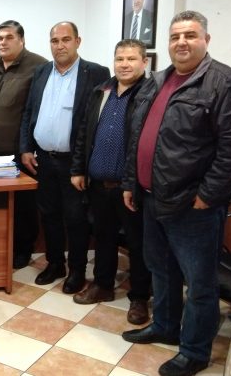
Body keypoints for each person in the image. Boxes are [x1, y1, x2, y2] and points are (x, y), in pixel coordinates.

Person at [121, 10, 231, 376]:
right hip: (152, 197)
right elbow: (138, 137)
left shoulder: (226, 85)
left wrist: (208, 196)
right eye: (175, 36)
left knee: (199, 283)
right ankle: (165, 325)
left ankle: (195, 351)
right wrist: (132, 182)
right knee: (160, 269)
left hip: (193, 206)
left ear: (206, 40)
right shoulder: (157, 80)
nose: (181, 42)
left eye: (190, 35)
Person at [20, 21, 109, 294]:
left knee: (76, 218)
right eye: (55, 41)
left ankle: (77, 271)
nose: (60, 46)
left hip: (74, 163)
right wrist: (26, 147)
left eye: (66, 39)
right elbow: (29, 111)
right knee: (49, 215)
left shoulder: (95, 73)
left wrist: (82, 165)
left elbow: (97, 121)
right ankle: (55, 263)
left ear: (77, 41)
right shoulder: (41, 72)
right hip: (43, 160)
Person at [69, 39, 151, 324]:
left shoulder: (149, 95)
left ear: (144, 62)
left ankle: (139, 297)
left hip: (130, 188)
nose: (124, 64)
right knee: (103, 238)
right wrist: (78, 169)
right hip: (98, 184)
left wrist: (132, 184)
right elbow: (84, 132)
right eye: (119, 59)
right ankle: (103, 285)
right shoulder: (101, 91)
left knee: (138, 244)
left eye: (131, 59)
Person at [0, 20, 47, 268]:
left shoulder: (37, 66)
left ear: (21, 40)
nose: (3, 42)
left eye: (9, 37)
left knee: (23, 205)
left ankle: (23, 250)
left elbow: (36, 111)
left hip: (18, 151)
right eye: (0, 38)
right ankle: (3, 247)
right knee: (0, 203)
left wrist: (28, 146)